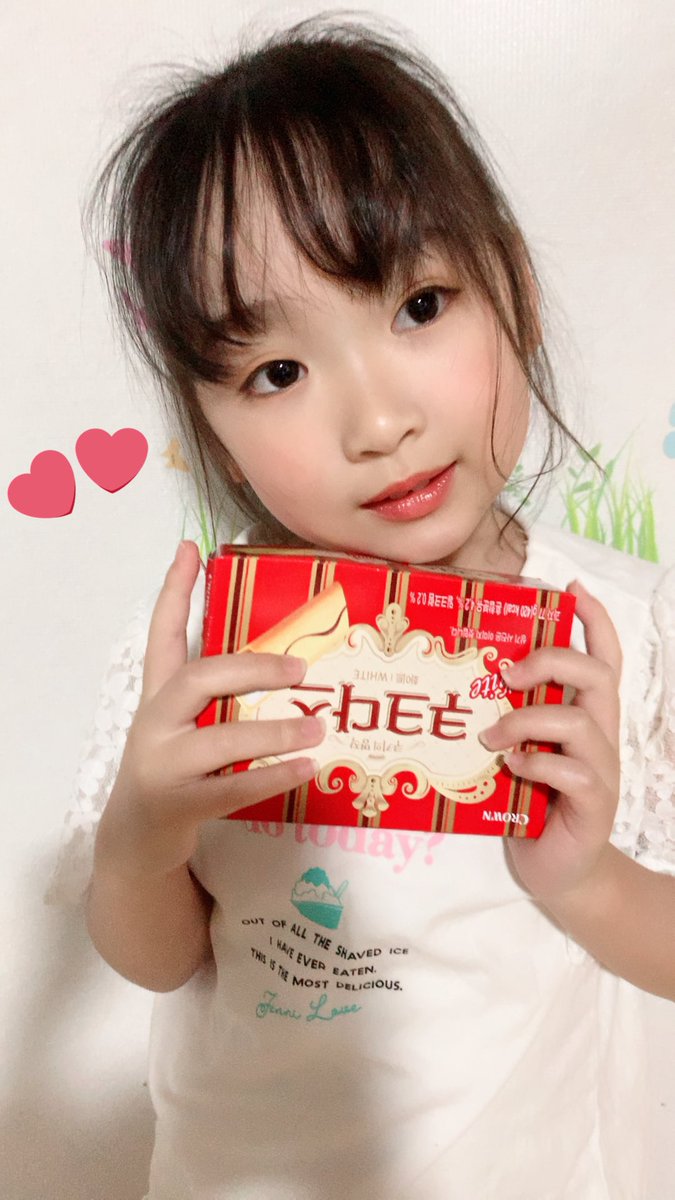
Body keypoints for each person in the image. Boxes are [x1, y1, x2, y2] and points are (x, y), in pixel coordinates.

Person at [49, 16, 675, 1199]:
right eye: (277, 373)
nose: (379, 423)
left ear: (514, 289)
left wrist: (588, 880)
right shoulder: (207, 646)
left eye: (420, 305)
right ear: (213, 432)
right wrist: (143, 836)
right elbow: (159, 959)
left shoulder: (623, 632)